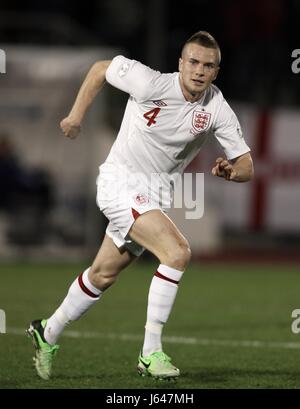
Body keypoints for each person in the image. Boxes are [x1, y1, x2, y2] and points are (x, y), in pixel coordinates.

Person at [27, 31, 254, 380]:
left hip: (153, 198)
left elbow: (246, 167)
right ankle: (150, 353)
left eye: (208, 65)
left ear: (216, 72)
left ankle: (47, 330)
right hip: (120, 184)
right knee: (177, 251)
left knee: (103, 274)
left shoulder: (216, 108)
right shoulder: (149, 83)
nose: (199, 71)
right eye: (193, 62)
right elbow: (100, 68)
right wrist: (75, 117)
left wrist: (230, 171)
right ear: (180, 63)